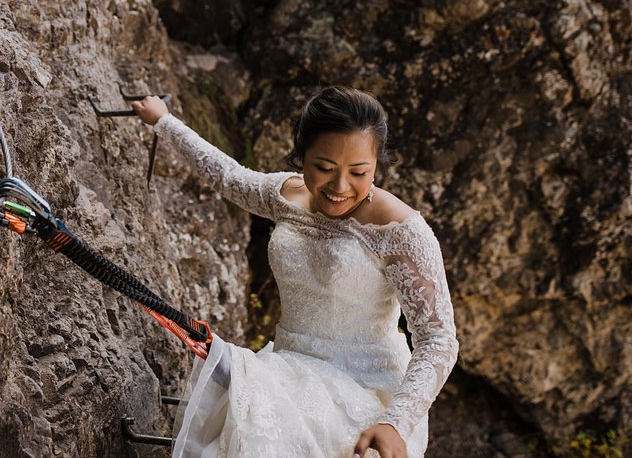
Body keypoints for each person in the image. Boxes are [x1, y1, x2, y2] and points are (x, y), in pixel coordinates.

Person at [130, 86, 458, 458]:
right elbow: (227, 176)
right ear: (302, 156)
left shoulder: (401, 231)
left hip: (368, 394)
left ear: (377, 165)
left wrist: (396, 422)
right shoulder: (285, 196)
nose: (339, 187)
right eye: (324, 168)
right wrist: (164, 121)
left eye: (359, 172)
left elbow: (438, 338)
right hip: (286, 372)